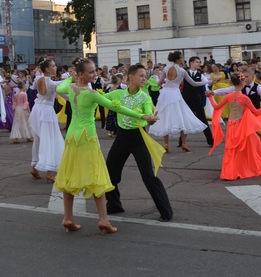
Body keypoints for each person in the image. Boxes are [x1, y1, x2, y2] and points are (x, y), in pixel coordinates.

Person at [55, 57, 157, 235]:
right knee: (97, 176)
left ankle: (68, 218)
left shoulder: (71, 88)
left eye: (95, 70)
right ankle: (103, 220)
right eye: (91, 72)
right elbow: (118, 108)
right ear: (81, 74)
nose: (95, 74)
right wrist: (143, 117)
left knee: (70, 175)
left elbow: (58, 88)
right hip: (87, 138)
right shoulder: (92, 94)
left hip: (72, 137)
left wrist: (71, 79)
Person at [105, 64, 172, 222]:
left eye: (145, 76)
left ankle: (166, 211)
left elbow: (149, 111)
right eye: (141, 75)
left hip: (138, 138)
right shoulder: (118, 94)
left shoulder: (145, 97)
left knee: (148, 176)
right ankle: (114, 204)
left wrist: (150, 117)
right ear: (130, 77)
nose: (144, 79)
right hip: (121, 137)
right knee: (110, 173)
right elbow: (100, 99)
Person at [207, 73, 261, 180]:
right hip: (242, 126)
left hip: (231, 125)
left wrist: (210, 97)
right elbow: (257, 112)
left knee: (233, 149)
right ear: (242, 83)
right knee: (253, 145)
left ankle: (232, 171)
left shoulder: (229, 96)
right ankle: (256, 167)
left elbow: (216, 106)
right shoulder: (244, 98)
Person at [148, 51, 209, 152]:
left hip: (165, 94)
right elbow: (193, 83)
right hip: (175, 94)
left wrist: (156, 79)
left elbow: (159, 83)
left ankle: (166, 144)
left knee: (165, 117)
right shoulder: (182, 71)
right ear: (177, 59)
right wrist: (207, 81)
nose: (182, 58)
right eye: (181, 57)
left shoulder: (166, 68)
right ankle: (184, 143)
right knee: (181, 116)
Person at [30, 59, 65, 182]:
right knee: (50, 140)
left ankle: (34, 166)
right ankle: (49, 172)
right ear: (47, 69)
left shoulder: (38, 79)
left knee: (38, 139)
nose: (56, 68)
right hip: (46, 111)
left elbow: (34, 86)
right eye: (53, 66)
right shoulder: (51, 83)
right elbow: (62, 90)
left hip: (37, 109)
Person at [178, 56, 214, 149]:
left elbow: (206, 82)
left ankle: (210, 140)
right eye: (197, 62)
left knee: (203, 119)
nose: (199, 64)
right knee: (185, 120)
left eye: (199, 62)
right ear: (191, 63)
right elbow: (179, 84)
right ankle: (181, 141)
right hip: (187, 100)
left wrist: (210, 82)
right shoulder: (184, 74)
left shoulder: (200, 75)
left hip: (197, 100)